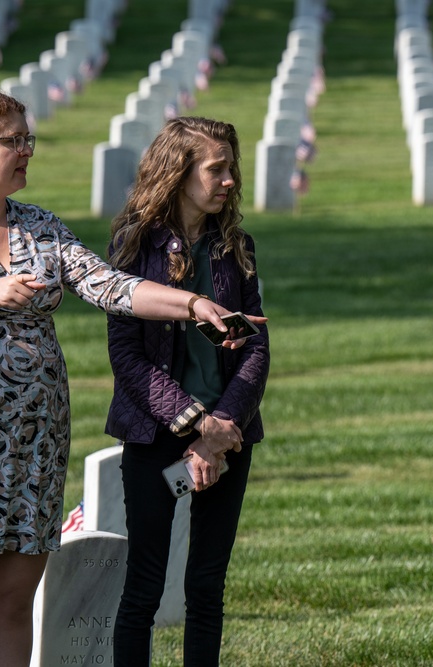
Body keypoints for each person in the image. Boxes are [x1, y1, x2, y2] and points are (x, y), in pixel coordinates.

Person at [0, 89, 255, 666]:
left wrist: (192, 304)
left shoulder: (40, 226)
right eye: (14, 141)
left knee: (13, 600)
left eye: (27, 139)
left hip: (35, 440)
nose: (26, 150)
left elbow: (112, 286)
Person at [106, 116, 270, 666]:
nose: (229, 180)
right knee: (144, 588)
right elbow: (126, 355)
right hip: (155, 432)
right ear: (178, 173)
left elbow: (257, 347)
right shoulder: (135, 245)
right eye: (216, 169)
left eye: (231, 169)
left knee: (206, 586)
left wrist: (223, 429)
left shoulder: (236, 247)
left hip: (229, 432)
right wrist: (195, 422)